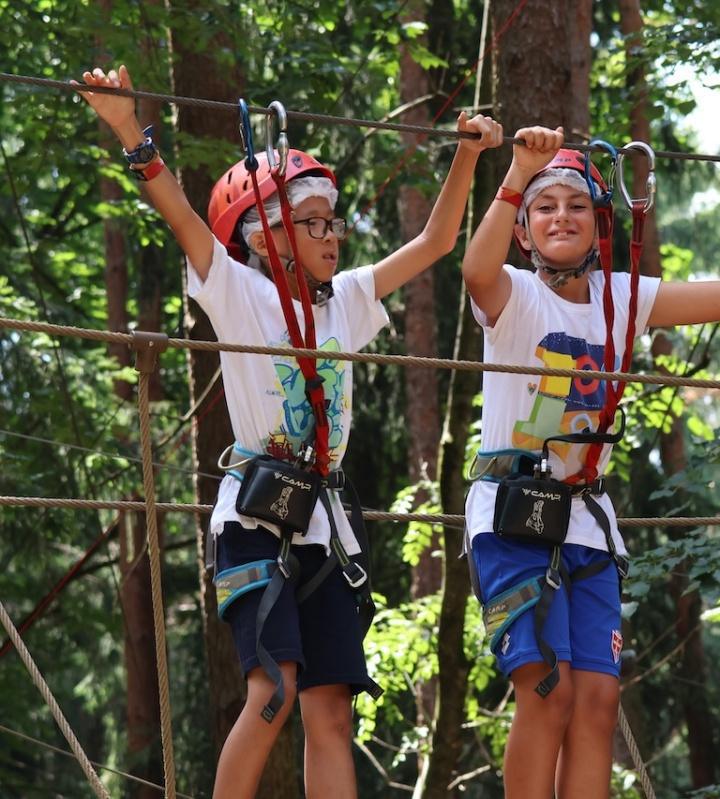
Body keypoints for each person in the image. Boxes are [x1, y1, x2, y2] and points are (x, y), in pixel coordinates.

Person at [75, 64, 502, 798]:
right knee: (275, 689)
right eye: (311, 220)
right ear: (262, 233)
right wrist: (127, 129)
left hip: (327, 520)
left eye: (333, 220)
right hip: (257, 513)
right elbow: (179, 214)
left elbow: (434, 241)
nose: (330, 234)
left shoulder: (347, 301)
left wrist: (466, 153)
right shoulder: (237, 291)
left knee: (330, 710)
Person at [461, 125, 720, 797]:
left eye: (576, 206)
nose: (561, 215)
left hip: (586, 520)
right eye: (544, 207)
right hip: (512, 514)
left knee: (594, 701)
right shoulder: (511, 294)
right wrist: (514, 176)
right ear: (524, 232)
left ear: (600, 223)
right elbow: (474, 270)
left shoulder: (623, 298)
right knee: (547, 692)